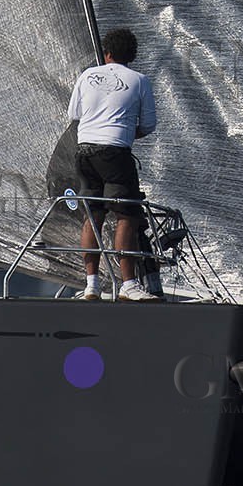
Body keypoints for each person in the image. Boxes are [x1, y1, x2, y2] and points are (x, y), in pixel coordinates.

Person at [68, 28, 158, 302]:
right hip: (115, 155)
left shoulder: (87, 75)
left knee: (93, 216)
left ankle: (91, 285)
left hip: (84, 152)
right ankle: (128, 284)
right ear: (132, 55)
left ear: (106, 53)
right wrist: (124, 133)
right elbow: (148, 125)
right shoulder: (139, 80)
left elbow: (74, 115)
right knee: (127, 216)